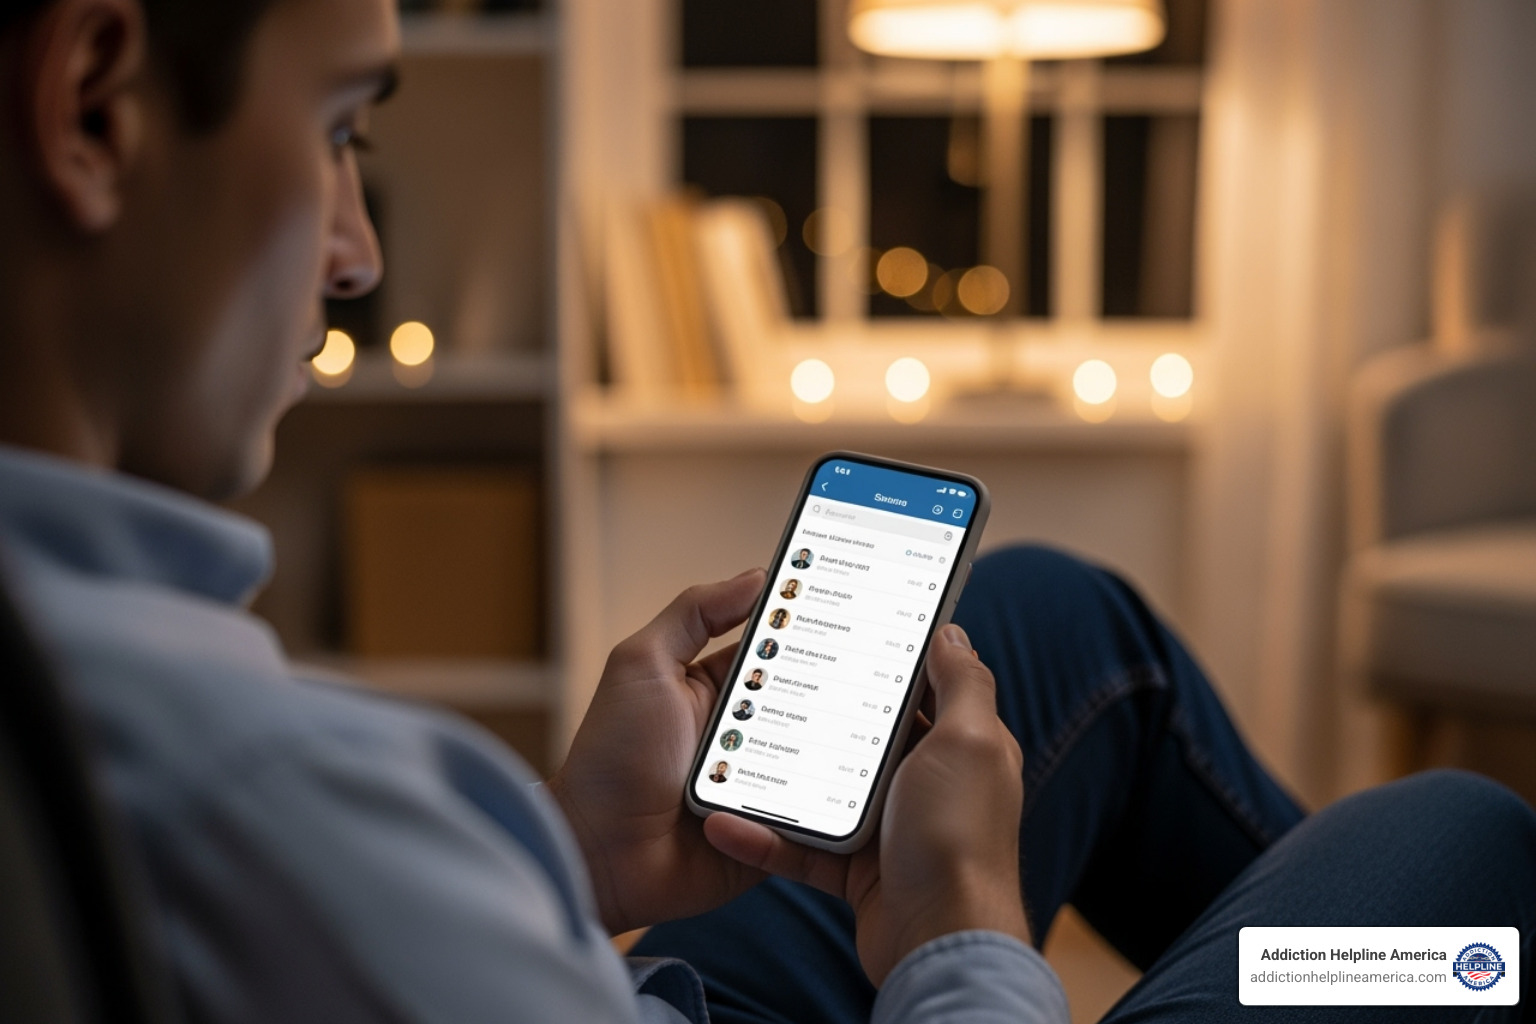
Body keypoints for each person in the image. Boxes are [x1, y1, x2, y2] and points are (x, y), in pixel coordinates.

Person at [0, 3, 1531, 1024]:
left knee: (1064, 617)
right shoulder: (260, 796)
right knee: (1461, 849)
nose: (352, 254)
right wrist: (963, 936)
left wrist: (568, 855)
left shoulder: (127, 708)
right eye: (341, 128)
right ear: (94, 108)